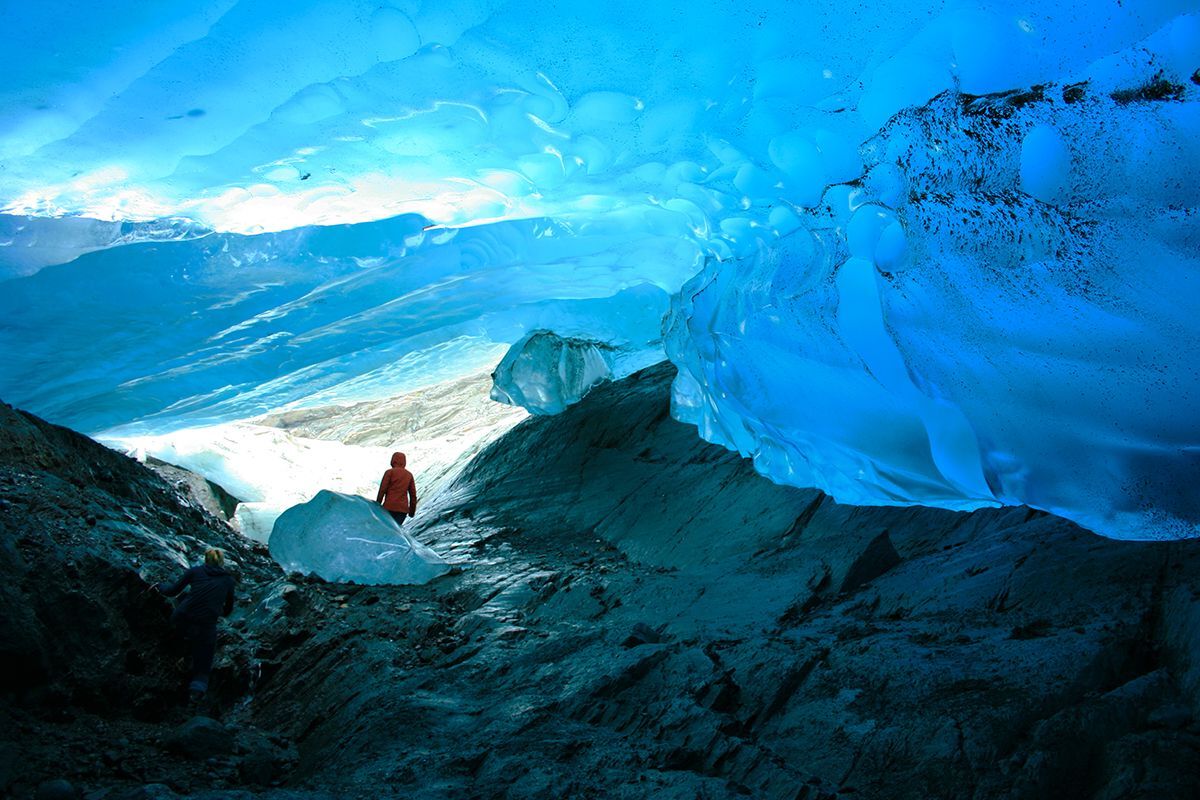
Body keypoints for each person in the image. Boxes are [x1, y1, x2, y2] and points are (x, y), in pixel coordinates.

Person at [156, 548, 237, 701]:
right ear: (222, 562)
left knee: (178, 641)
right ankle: (196, 692)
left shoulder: (195, 572)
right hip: (205, 624)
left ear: (205, 559)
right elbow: (229, 609)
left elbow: (172, 591)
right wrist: (217, 612)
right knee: (204, 663)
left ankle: (174, 662)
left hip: (181, 617)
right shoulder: (228, 581)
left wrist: (159, 585)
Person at [376, 451, 417, 526]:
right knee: (396, 529)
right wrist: (412, 512)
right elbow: (413, 495)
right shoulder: (409, 475)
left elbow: (382, 490)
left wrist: (377, 505)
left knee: (387, 529)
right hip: (402, 511)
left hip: (389, 508)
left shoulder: (389, 472)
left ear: (392, 461)